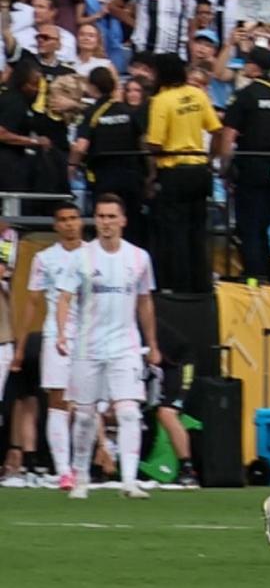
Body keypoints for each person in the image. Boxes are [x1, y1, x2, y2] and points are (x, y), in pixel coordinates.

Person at [27, 191, 153, 498]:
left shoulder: (139, 257)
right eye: (101, 216)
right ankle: (80, 475)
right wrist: (59, 333)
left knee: (128, 412)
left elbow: (145, 301)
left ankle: (129, 480)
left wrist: (152, 342)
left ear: (123, 220)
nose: (106, 222)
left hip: (125, 345)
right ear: (94, 220)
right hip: (87, 347)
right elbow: (64, 297)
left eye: (112, 216)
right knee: (83, 415)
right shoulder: (81, 258)